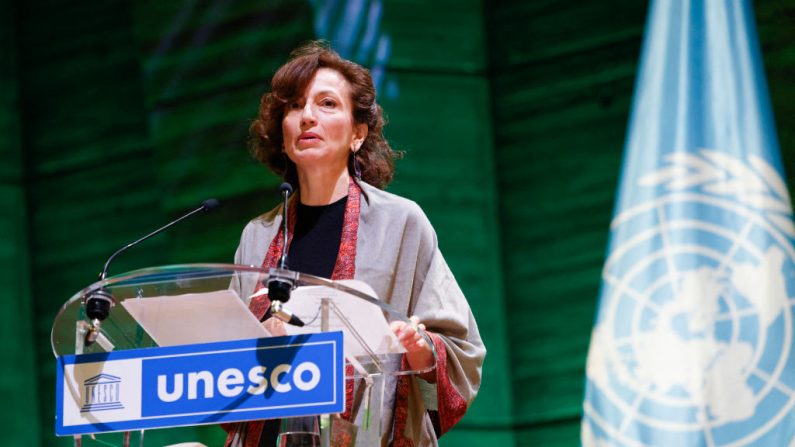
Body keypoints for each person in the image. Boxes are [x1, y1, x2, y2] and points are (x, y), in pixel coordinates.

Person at [226, 41, 485, 447]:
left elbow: (460, 349)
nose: (307, 116)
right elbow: (223, 369)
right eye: (294, 106)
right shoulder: (257, 234)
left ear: (358, 135)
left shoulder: (401, 222)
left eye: (326, 104)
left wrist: (418, 347)